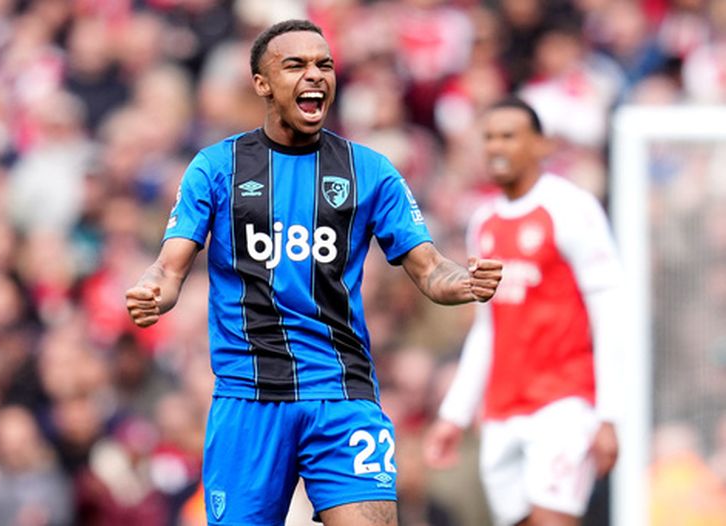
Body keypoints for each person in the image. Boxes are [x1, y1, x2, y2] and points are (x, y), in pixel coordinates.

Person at [125, 19, 502, 526]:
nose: (315, 75)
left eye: (324, 64)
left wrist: (463, 282)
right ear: (262, 83)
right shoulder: (217, 168)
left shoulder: (369, 171)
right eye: (296, 65)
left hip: (341, 394)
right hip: (249, 397)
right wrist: (154, 289)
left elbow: (431, 269)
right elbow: (169, 268)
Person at [423, 97, 624, 526]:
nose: (497, 146)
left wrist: (609, 414)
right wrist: (454, 415)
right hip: (502, 407)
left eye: (510, 136)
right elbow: (486, 328)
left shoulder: (571, 208)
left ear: (541, 145)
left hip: (564, 401)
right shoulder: (485, 222)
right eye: (490, 137)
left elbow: (610, 312)